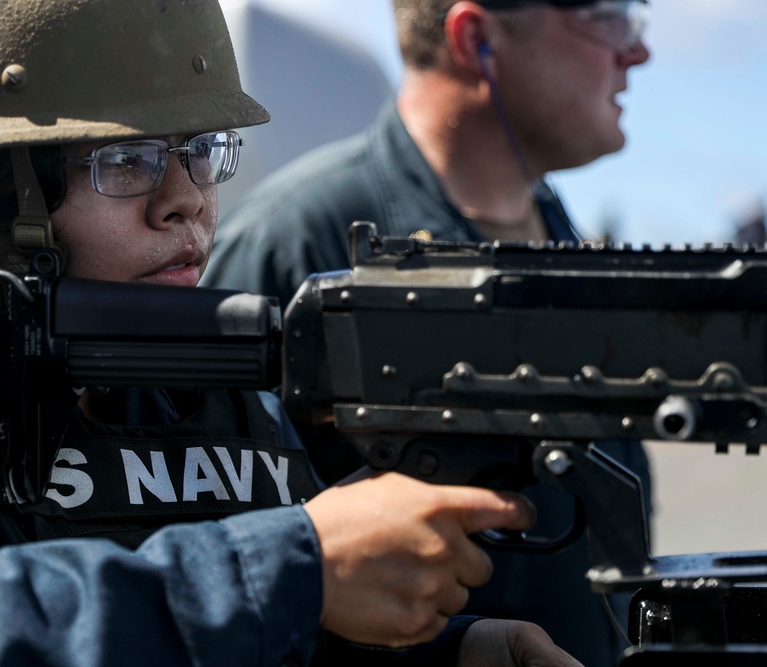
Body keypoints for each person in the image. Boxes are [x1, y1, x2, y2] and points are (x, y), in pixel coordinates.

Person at [0, 1, 584, 665]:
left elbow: (242, 634)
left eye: (201, 151)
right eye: (127, 162)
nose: (187, 199)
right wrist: (296, 570)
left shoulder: (177, 363)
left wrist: (446, 653)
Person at [202, 1, 653, 665]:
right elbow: (225, 572)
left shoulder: (563, 239)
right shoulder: (296, 245)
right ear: (475, 37)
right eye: (601, 15)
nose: (635, 51)